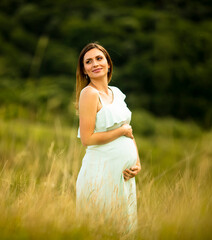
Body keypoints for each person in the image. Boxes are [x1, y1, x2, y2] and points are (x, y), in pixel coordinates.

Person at [75, 42, 141, 232]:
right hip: (100, 174)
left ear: (108, 64)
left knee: (124, 229)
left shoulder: (117, 93)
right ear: (84, 70)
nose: (95, 64)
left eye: (99, 58)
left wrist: (137, 162)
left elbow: (129, 131)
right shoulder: (89, 94)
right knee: (103, 229)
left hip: (124, 176)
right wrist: (120, 131)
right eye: (88, 62)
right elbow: (87, 139)